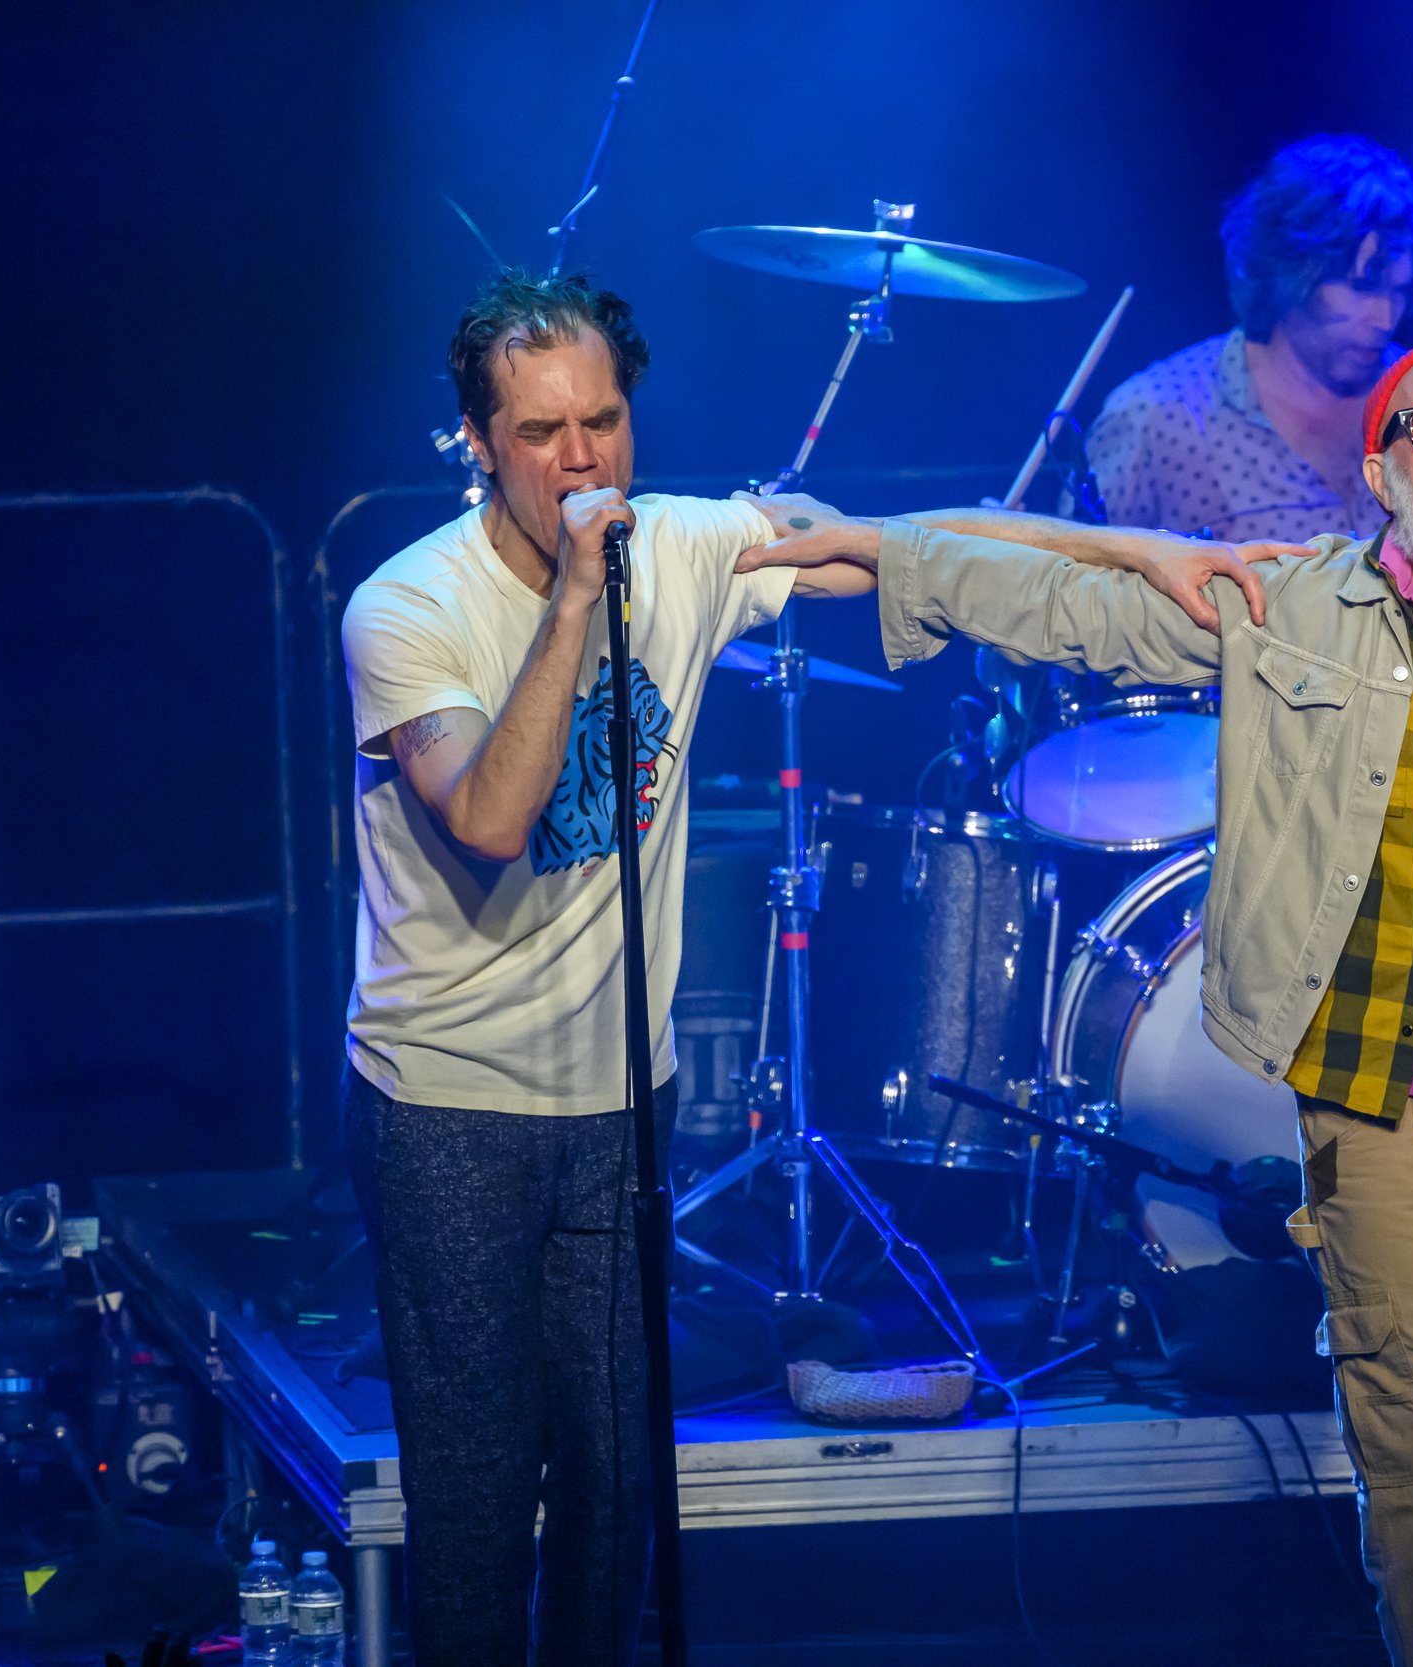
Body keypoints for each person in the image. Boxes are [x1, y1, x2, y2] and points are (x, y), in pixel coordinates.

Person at [337, 269, 1300, 1664]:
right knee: (482, 1499)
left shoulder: (676, 543)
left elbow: (905, 545)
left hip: (617, 1101)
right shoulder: (405, 608)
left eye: (602, 420)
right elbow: (489, 821)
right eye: (540, 431)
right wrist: (572, 609)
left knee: (620, 1495)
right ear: (478, 441)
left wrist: (1141, 554)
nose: (582, 457)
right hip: (449, 1113)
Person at [739, 338, 1413, 1667]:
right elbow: (1059, 600)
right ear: (1378, 470)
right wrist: (865, 547)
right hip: (1382, 1111)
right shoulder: (1283, 603)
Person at [1087, 133, 1413, 551]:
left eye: (1400, 291)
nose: (1384, 316)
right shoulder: (1156, 417)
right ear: (1286, 270)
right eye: (1360, 287)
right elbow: (1083, 605)